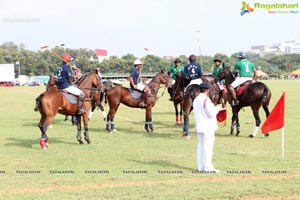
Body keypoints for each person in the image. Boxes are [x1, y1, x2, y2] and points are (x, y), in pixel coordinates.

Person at [193, 82, 221, 173]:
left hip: (199, 125)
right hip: (207, 126)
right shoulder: (206, 100)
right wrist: (217, 108)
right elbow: (211, 113)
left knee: (200, 147)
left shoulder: (196, 99)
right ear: (208, 90)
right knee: (208, 147)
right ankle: (208, 167)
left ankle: (200, 166)